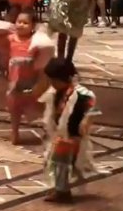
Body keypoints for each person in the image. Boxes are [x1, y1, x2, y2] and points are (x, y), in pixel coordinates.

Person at [0, 7, 54, 144]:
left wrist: (41, 78)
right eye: (19, 22)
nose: (21, 25)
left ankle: (49, 130)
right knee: (15, 108)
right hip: (15, 80)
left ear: (33, 26)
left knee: (39, 106)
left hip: (32, 79)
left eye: (25, 23)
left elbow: (43, 58)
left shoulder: (35, 41)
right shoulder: (10, 39)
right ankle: (14, 131)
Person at [39, 57, 101, 203]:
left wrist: (86, 122)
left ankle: (62, 192)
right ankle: (61, 189)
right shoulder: (56, 92)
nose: (52, 83)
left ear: (66, 78)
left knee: (62, 162)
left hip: (73, 134)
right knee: (57, 161)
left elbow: (93, 109)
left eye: (54, 80)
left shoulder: (81, 94)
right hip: (61, 132)